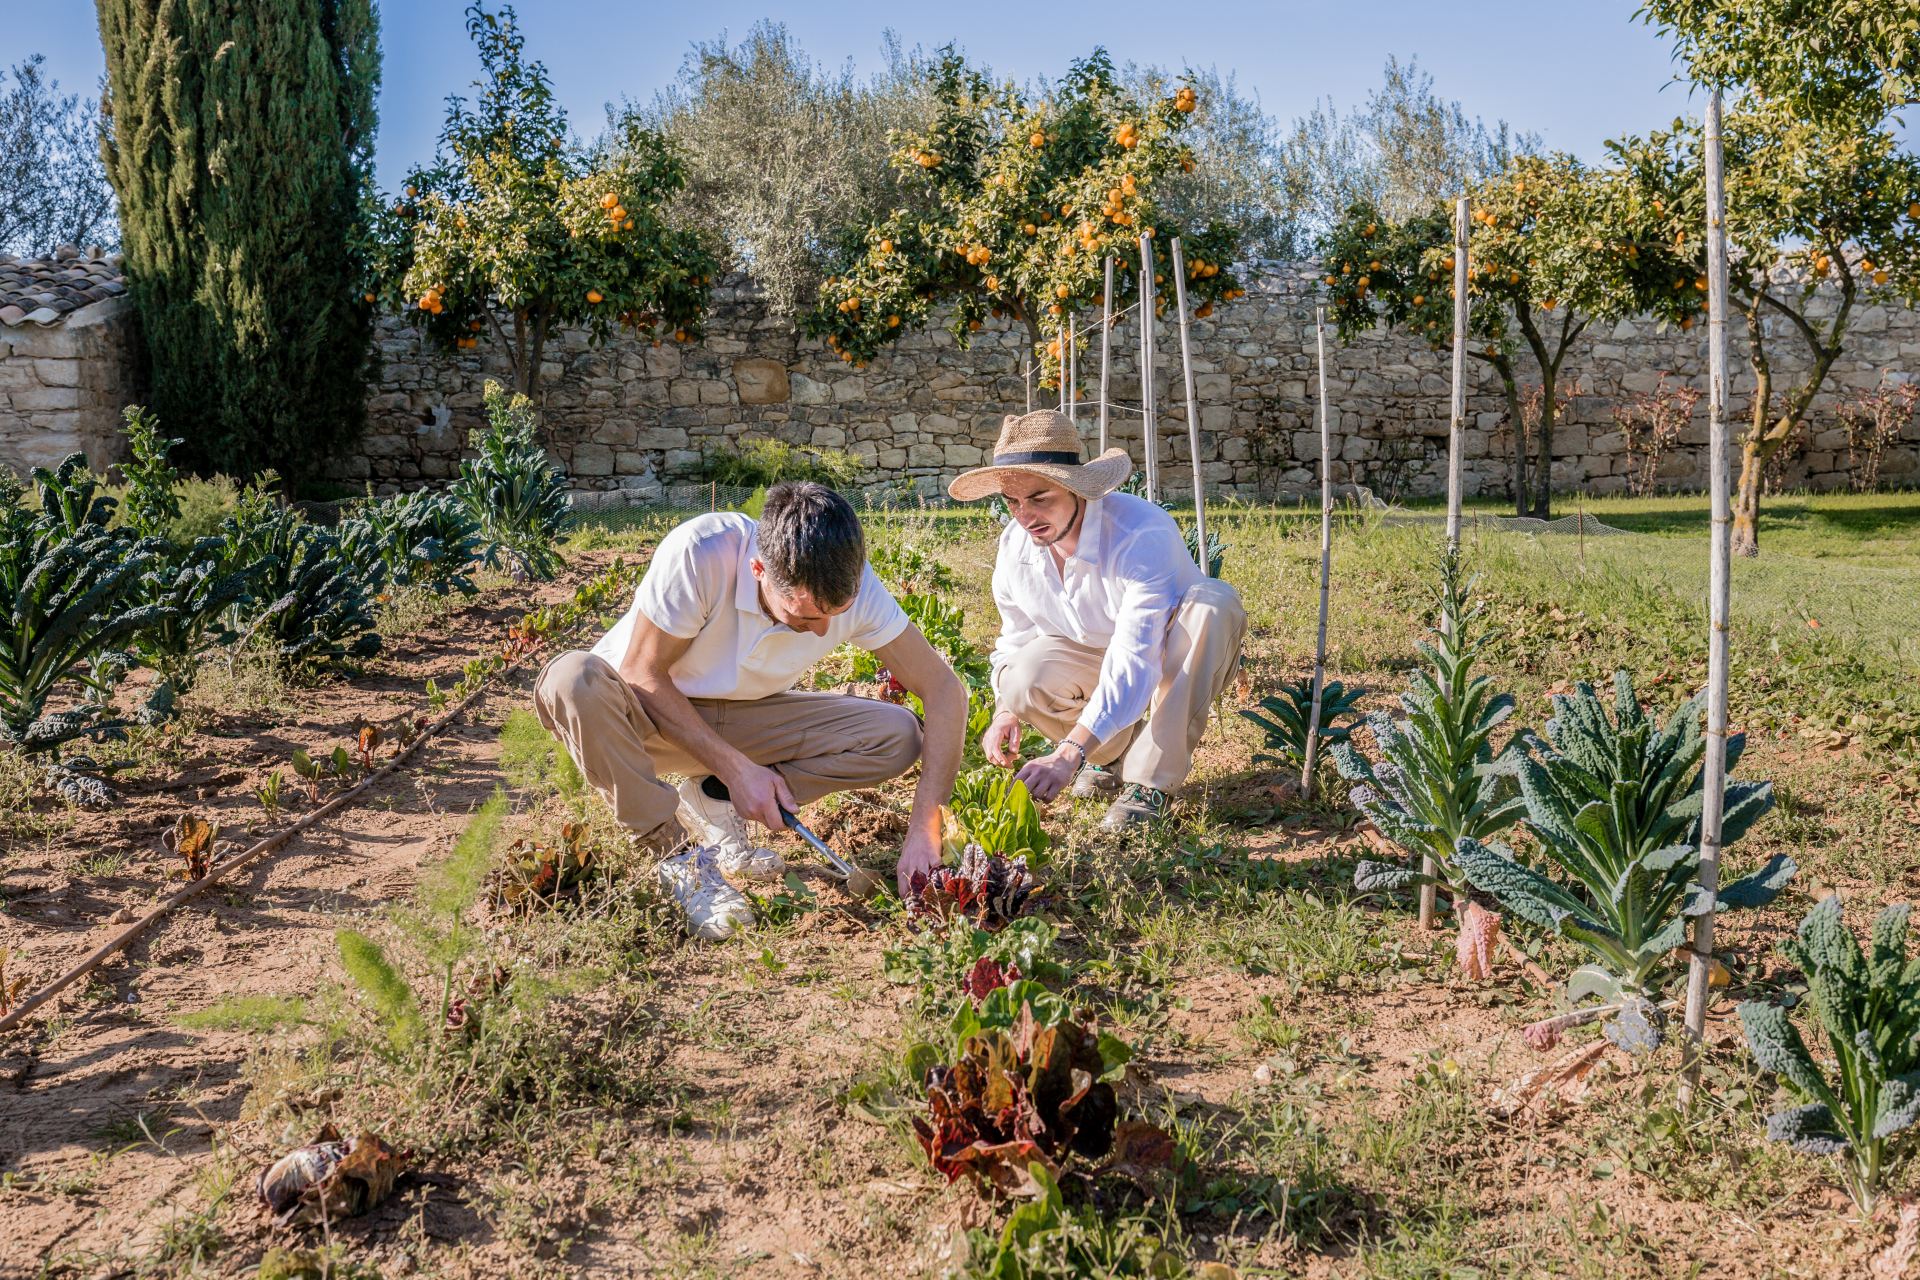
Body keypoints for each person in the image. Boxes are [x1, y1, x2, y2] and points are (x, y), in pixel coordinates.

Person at [534, 481, 965, 939]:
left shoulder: (854, 588)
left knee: (896, 735)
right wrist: (739, 769)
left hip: (744, 718)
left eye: (835, 615)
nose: (822, 633)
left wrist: (925, 825)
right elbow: (643, 675)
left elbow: (944, 691)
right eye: (803, 619)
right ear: (759, 568)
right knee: (572, 679)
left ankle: (714, 797)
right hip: (641, 722)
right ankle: (679, 858)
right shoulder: (702, 552)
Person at [948, 410, 1246, 831]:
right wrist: (1004, 713)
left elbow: (1135, 658)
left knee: (1212, 603)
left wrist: (1069, 751)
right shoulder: (1015, 546)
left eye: (1039, 498)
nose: (1024, 516)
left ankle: (1149, 782)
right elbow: (1016, 640)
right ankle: (1114, 755)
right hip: (1097, 655)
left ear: (1076, 489)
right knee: (1020, 679)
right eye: (1012, 502)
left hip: (1176, 649)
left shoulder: (1140, 533)